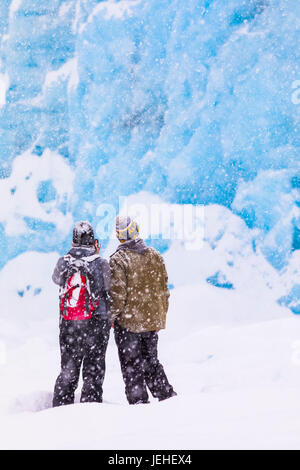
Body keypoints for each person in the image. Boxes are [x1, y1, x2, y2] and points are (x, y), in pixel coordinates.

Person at [109, 215, 177, 404]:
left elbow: (117, 295)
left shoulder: (118, 260)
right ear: (137, 229)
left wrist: (111, 317)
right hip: (150, 322)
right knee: (151, 363)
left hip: (128, 324)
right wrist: (159, 318)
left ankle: (139, 404)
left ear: (118, 236)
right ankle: (167, 398)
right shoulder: (155, 255)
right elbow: (164, 291)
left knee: (132, 366)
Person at [52, 221, 111, 407]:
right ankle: (90, 408)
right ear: (93, 240)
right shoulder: (100, 263)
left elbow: (55, 279)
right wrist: (95, 255)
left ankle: (61, 407)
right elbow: (108, 286)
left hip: (69, 322)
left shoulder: (64, 262)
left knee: (68, 368)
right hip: (96, 321)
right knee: (93, 368)